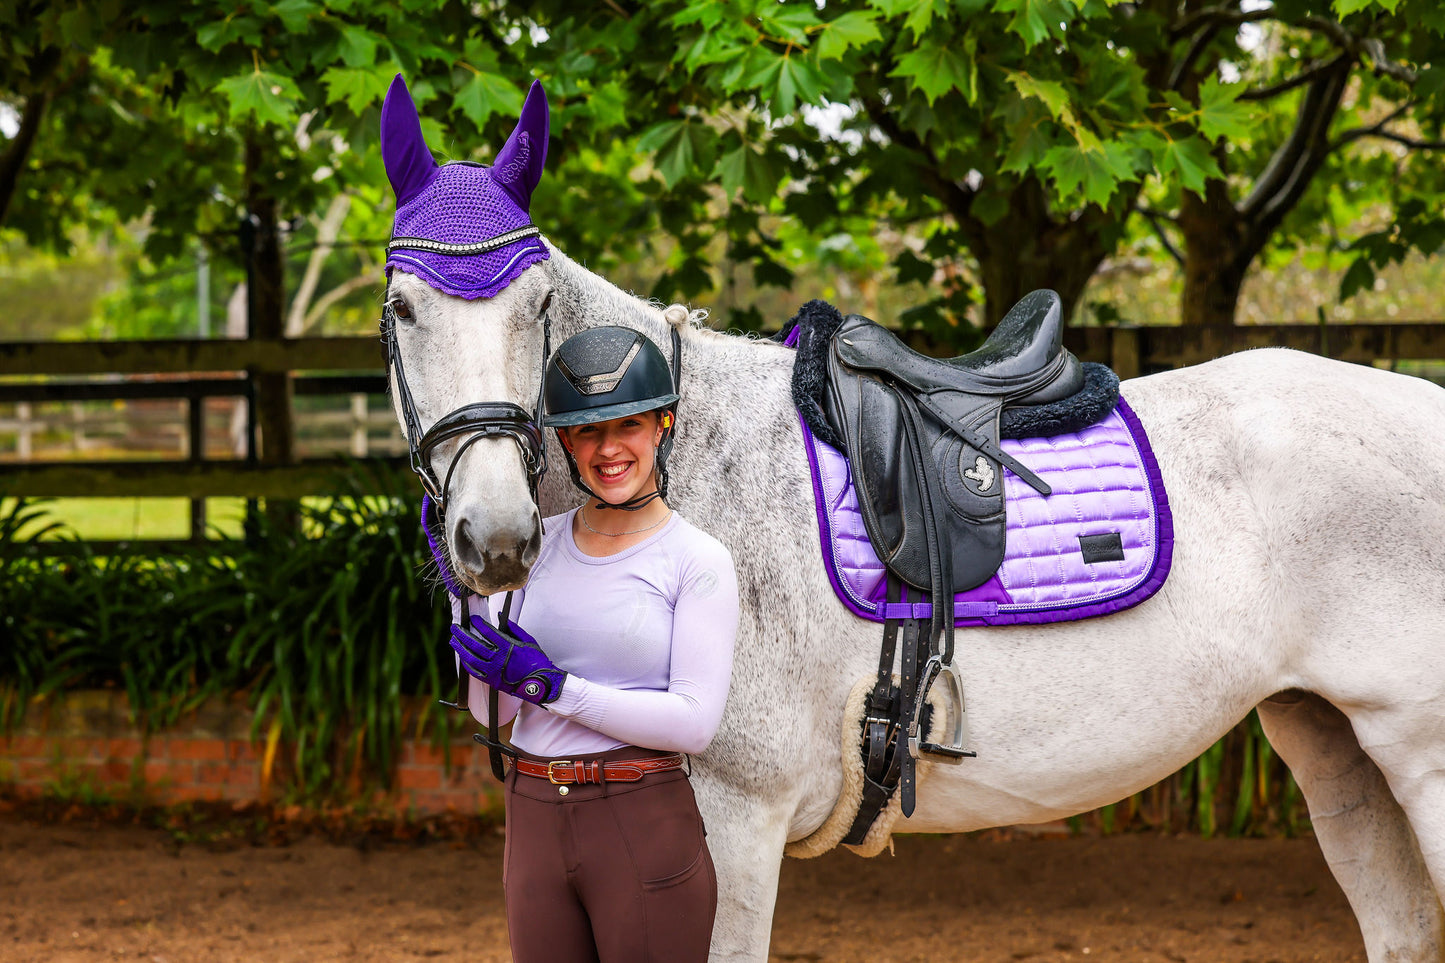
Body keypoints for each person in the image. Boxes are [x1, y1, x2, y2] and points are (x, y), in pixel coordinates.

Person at [447, 324, 739, 963]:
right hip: (531, 816)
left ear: (663, 423)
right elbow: (491, 715)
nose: (609, 450)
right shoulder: (532, 548)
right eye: (586, 431)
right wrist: (468, 597)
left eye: (627, 425)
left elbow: (693, 724)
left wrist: (551, 686)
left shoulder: (697, 561)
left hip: (638, 818)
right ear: (563, 442)